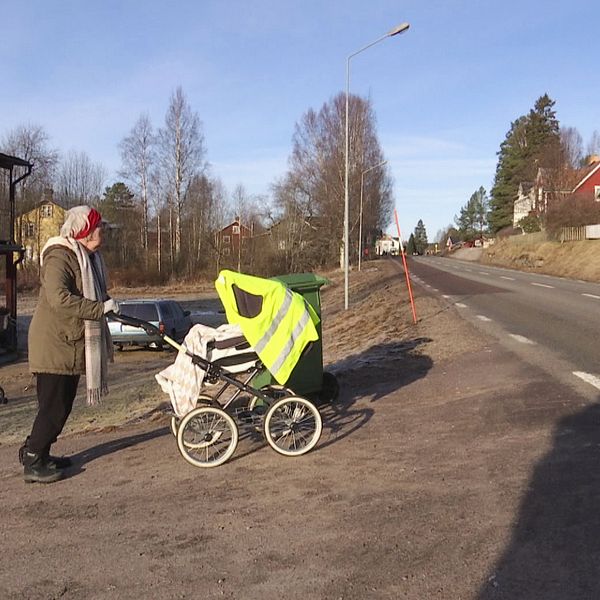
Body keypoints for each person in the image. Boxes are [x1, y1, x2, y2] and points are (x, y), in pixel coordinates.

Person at [19, 206, 120, 484]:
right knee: (53, 408)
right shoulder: (60, 256)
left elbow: (92, 294)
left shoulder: (89, 258)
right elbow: (58, 298)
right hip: (53, 344)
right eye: (99, 227)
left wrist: (108, 305)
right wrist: (100, 309)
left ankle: (39, 452)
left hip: (69, 343)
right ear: (84, 230)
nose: (104, 231)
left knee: (59, 407)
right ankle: (33, 459)